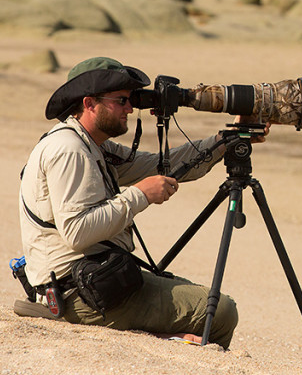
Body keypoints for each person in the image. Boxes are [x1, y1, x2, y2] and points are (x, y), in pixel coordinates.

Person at [15, 56, 261, 346]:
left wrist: (225, 140)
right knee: (220, 311)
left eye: (130, 100)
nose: (130, 108)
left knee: (203, 302)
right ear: (89, 103)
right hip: (81, 294)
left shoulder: (91, 144)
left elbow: (161, 165)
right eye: (121, 100)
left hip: (93, 281)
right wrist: (140, 195)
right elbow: (78, 232)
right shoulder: (69, 150)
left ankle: (168, 340)